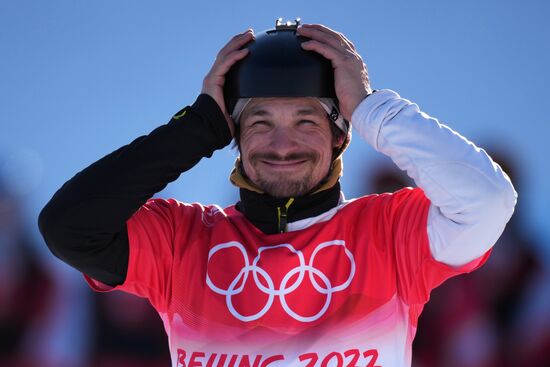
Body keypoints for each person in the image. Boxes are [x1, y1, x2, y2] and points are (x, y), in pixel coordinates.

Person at [38, 19, 517, 367]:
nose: (281, 145)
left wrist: (371, 109)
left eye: (306, 121)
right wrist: (197, 128)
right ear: (234, 134)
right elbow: (68, 228)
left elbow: (488, 202)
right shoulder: (182, 241)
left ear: (339, 135)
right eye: (260, 122)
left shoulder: (391, 233)